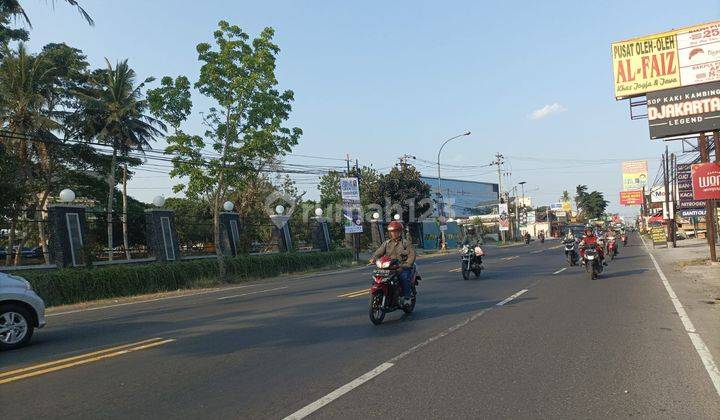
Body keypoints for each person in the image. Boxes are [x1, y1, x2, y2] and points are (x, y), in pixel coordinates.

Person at [370, 220, 416, 306]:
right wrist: (373, 258)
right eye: (392, 232)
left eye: (396, 231)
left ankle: (407, 298)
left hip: (401, 266)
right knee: (376, 278)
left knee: (404, 277)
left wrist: (407, 264)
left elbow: (411, 255)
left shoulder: (405, 243)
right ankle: (379, 295)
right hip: (388, 266)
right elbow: (378, 253)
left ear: (400, 232)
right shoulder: (386, 243)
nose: (394, 233)